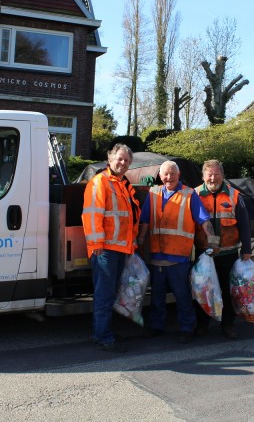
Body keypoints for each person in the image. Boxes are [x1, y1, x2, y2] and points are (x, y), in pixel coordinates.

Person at [137, 160, 217, 344]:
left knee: (182, 296)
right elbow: (146, 222)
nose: (169, 177)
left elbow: (204, 220)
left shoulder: (189, 195)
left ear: (179, 175)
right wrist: (140, 242)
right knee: (157, 297)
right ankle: (157, 326)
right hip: (157, 257)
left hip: (179, 258)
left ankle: (187, 328)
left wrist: (212, 241)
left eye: (173, 174)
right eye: (165, 174)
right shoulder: (154, 193)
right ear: (160, 176)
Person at [81, 143, 140, 352]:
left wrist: (131, 244)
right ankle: (102, 336)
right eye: (119, 159)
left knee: (111, 293)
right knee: (105, 295)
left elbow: (129, 219)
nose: (122, 163)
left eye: (126, 160)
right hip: (105, 249)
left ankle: (105, 332)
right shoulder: (101, 182)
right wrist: (96, 244)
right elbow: (92, 215)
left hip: (119, 249)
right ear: (110, 159)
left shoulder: (124, 185)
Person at [193, 159, 252, 339]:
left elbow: (244, 225)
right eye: (209, 174)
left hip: (229, 253)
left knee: (228, 292)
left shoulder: (235, 196)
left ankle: (228, 325)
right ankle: (202, 325)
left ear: (222, 175)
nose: (213, 178)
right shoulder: (194, 195)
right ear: (203, 176)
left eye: (216, 174)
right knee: (202, 291)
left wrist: (247, 249)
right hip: (204, 253)